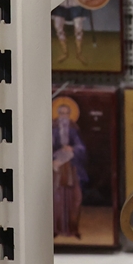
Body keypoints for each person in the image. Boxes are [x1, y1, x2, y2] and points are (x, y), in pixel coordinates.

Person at [52, 96, 88, 239]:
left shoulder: (74, 130)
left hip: (72, 168)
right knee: (57, 198)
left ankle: (73, 228)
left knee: (75, 198)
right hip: (56, 169)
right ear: (57, 114)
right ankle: (56, 228)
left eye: (67, 114)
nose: (64, 117)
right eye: (62, 113)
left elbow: (82, 148)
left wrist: (72, 149)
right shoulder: (52, 130)